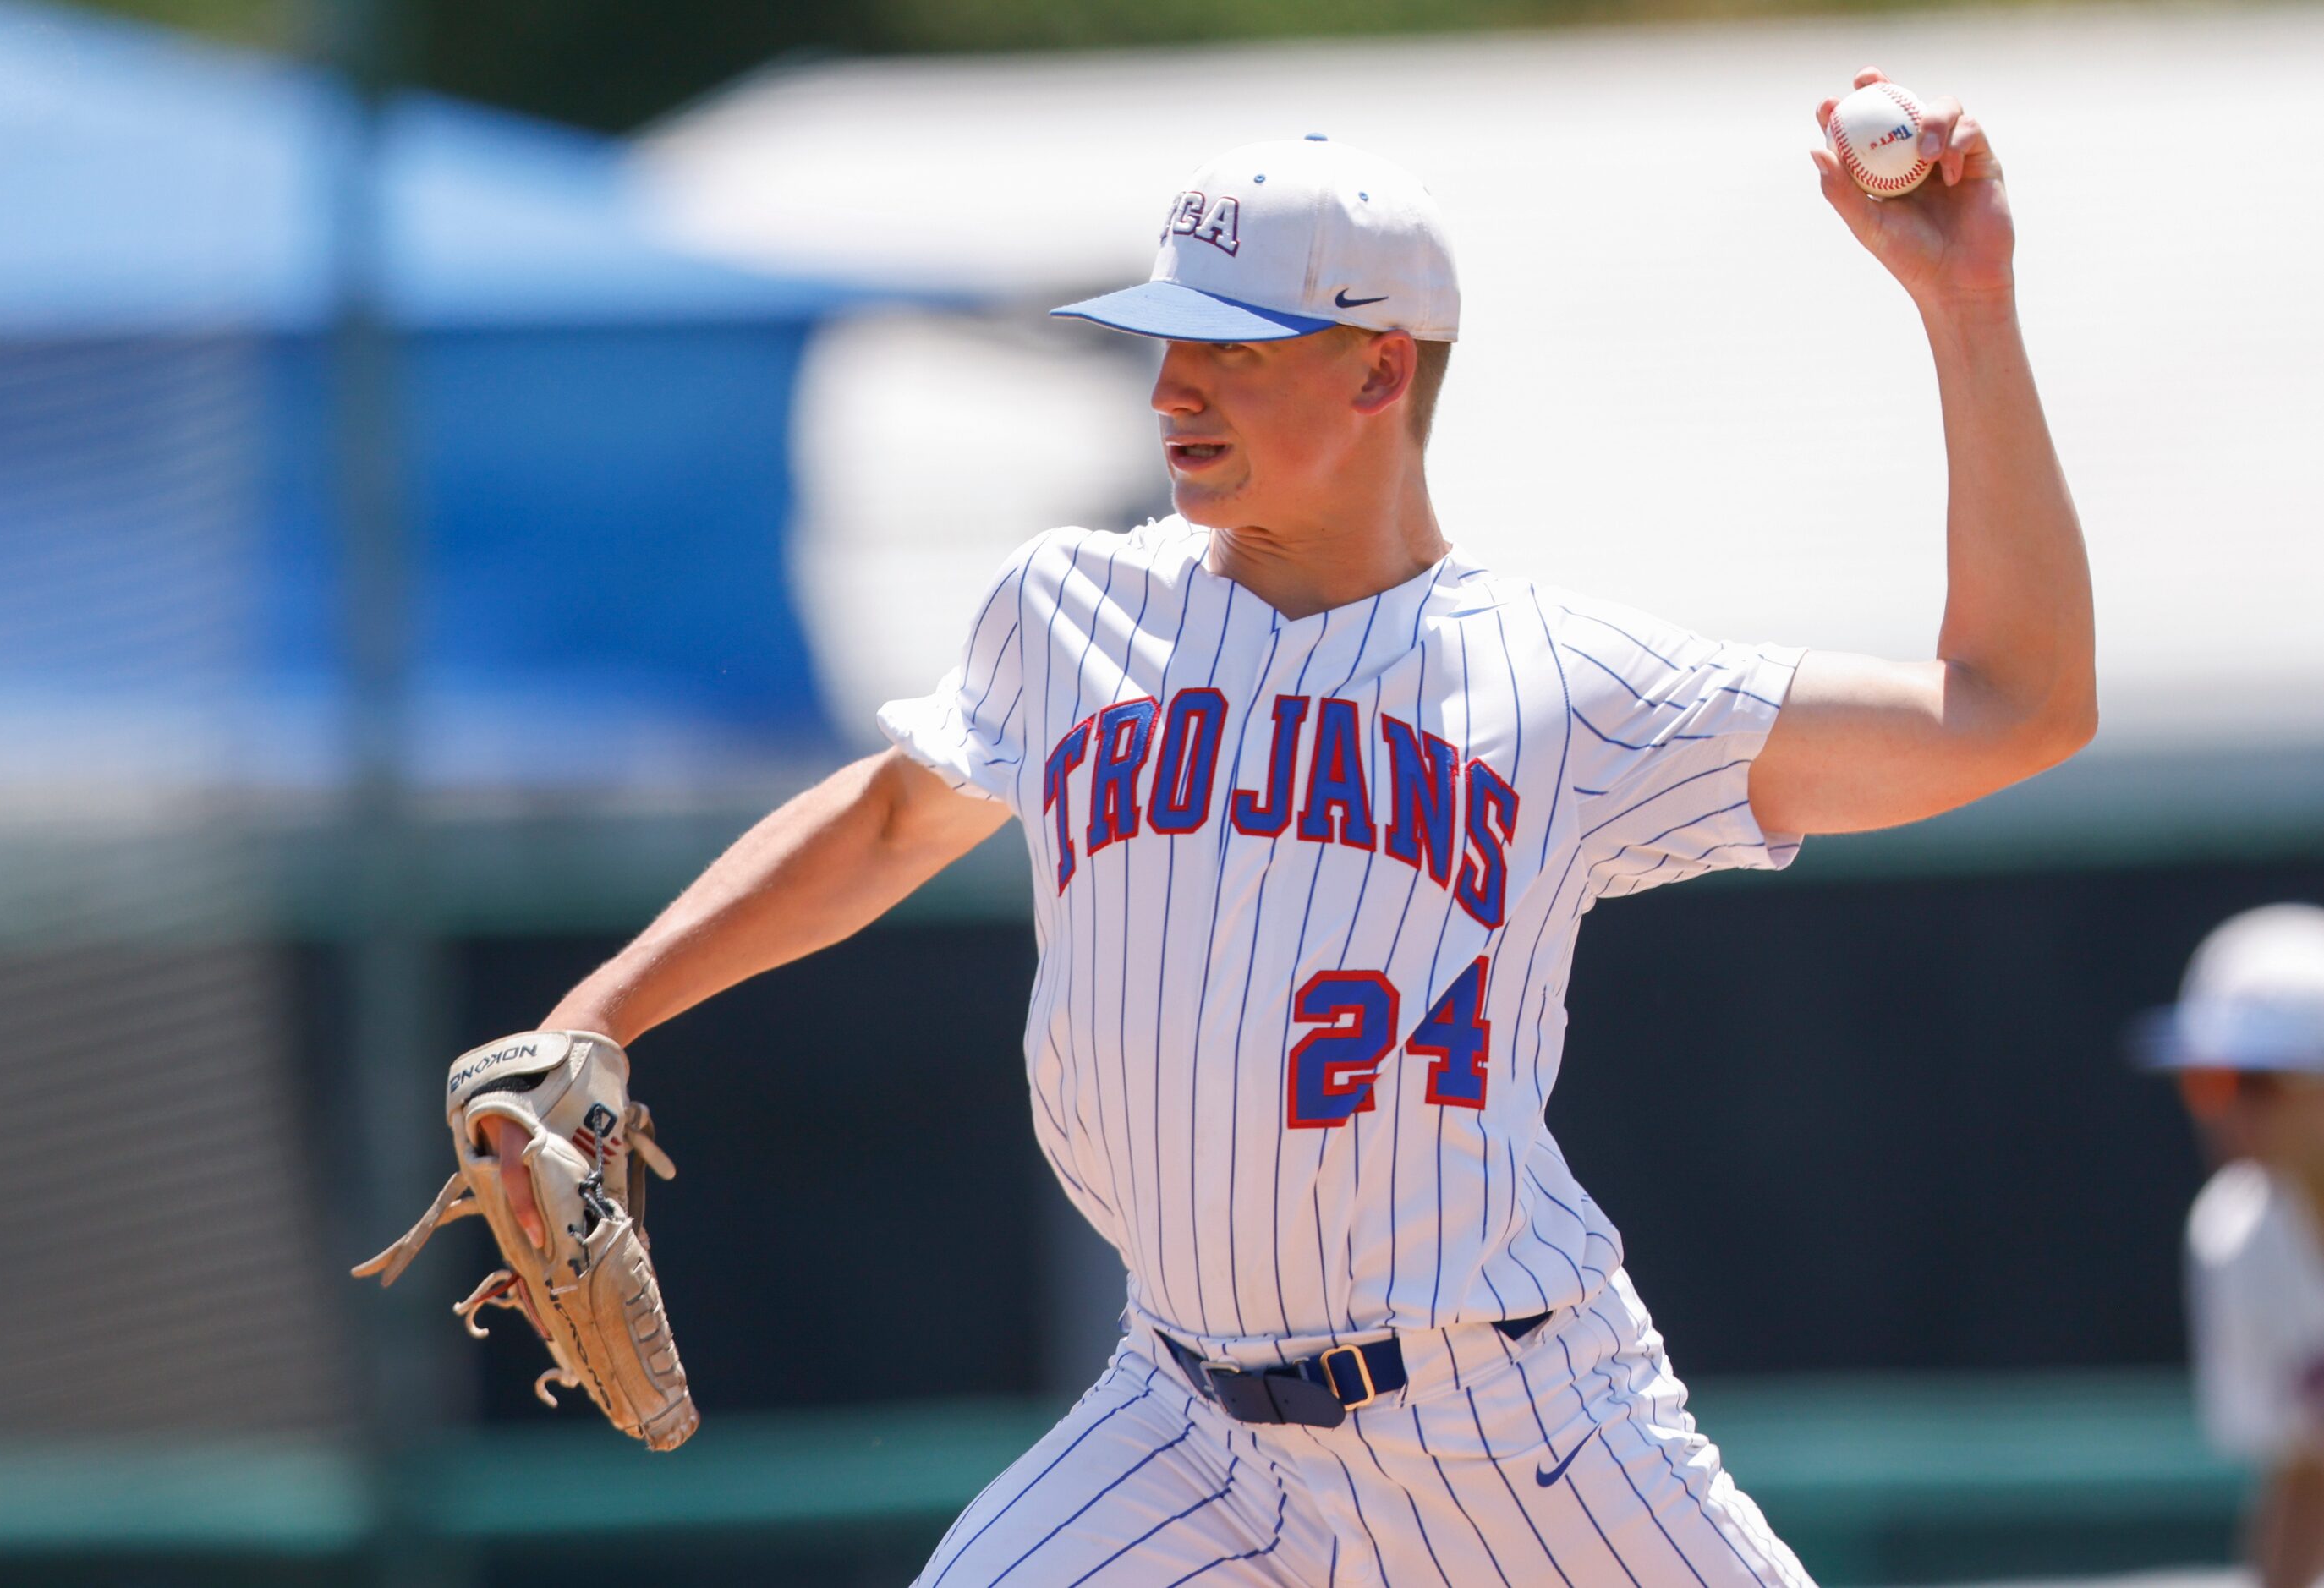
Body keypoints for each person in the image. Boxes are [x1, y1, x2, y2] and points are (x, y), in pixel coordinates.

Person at [488, 69, 2093, 1584]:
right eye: (1165, 344)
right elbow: (891, 817)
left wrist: (1970, 308)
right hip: (1181, 1428)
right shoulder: (1070, 611)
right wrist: (595, 1017)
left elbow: (2011, 707)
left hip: (1508, 1421)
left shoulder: (1562, 684)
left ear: (1379, 367)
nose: (1175, 384)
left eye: (1234, 348)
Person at [2139, 904, 2324, 1588]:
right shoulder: (2237, 1238)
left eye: (2260, 1081)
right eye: (2209, 1081)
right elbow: (2306, 1466)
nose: (2229, 1111)